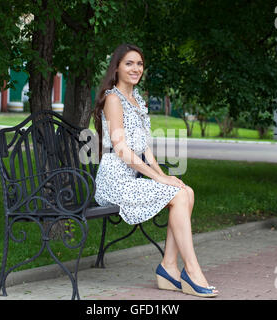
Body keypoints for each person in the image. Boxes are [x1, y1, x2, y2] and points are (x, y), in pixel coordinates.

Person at [93, 43, 218, 298]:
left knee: (185, 190)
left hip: (130, 177)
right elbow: (123, 150)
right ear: (116, 67)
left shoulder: (137, 99)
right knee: (180, 195)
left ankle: (169, 268)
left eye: (139, 64)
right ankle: (192, 272)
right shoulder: (113, 99)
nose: (135, 68)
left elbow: (145, 149)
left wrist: (165, 176)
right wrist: (159, 178)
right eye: (129, 63)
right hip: (114, 181)